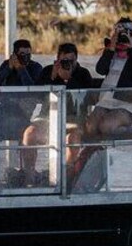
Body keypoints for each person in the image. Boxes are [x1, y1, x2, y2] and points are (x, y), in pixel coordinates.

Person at [18, 43, 93, 185]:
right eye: (64, 61)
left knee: (73, 138)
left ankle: (65, 175)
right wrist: (52, 78)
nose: (68, 64)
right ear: (57, 59)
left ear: (77, 60)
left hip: (73, 119)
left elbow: (86, 97)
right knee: (29, 134)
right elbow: (38, 96)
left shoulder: (83, 74)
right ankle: (30, 176)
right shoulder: (47, 71)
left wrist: (68, 80)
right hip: (47, 117)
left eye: (71, 61)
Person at [85, 17, 132, 139]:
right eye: (118, 32)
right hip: (105, 101)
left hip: (126, 105)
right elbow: (100, 70)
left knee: (106, 126)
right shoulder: (111, 51)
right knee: (90, 127)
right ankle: (92, 153)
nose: (121, 36)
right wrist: (110, 47)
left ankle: (127, 131)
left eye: (125, 33)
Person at [0, 39, 43, 141]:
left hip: (26, 113)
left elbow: (33, 90)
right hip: (5, 111)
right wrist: (8, 68)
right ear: (15, 55)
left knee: (30, 135)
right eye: (22, 54)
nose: (26, 57)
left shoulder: (35, 67)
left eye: (28, 54)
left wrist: (21, 69)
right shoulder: (7, 65)